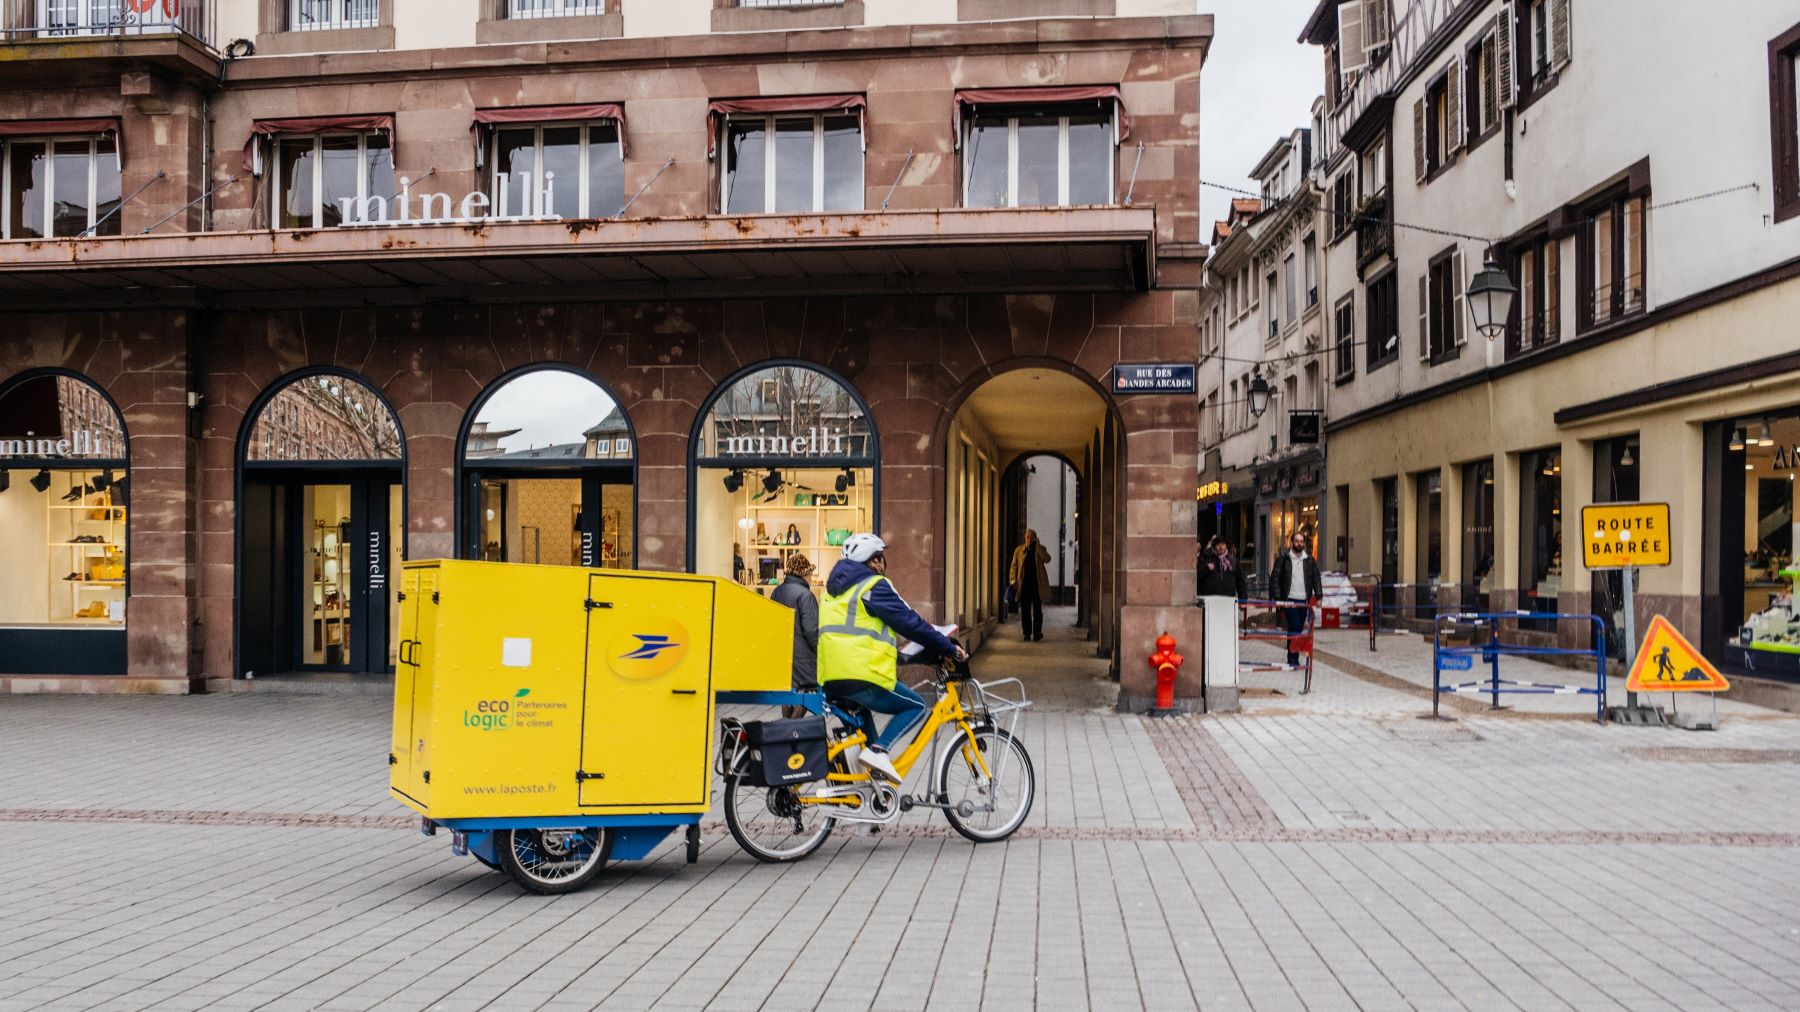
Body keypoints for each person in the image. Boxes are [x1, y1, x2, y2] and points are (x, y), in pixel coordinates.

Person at [817, 533, 967, 783]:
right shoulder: (873, 586)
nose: (883, 564)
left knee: (866, 746)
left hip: (832, 679)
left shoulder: (832, 593)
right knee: (916, 706)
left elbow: (854, 637)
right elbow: (910, 623)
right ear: (875, 561)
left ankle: (871, 801)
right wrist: (947, 647)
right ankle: (880, 751)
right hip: (862, 677)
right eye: (881, 558)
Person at [1268, 531, 1322, 668]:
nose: (1299, 544)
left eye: (1301, 541)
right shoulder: (1284, 558)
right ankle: (1293, 658)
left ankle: (1292, 656)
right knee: (1295, 626)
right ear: (1292, 542)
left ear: (1304, 543)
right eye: (1297, 541)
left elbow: (1316, 578)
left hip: (1303, 600)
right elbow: (1275, 577)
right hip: (1289, 599)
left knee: (1295, 629)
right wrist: (1278, 598)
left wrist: (1319, 596)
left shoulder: (1309, 560)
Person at [770, 553, 819, 697]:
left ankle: (787, 713)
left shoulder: (777, 592)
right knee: (806, 696)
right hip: (803, 660)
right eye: (810, 574)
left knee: (788, 695)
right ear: (804, 574)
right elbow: (812, 631)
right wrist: (821, 653)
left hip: (782, 657)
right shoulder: (806, 596)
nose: (811, 578)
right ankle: (795, 714)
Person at [1009, 529, 1051, 641]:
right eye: (1026, 537)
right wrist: (1013, 581)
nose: (1028, 539)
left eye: (1030, 537)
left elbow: (1047, 559)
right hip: (1024, 585)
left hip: (1037, 585)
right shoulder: (1019, 550)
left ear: (1034, 538)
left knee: (1037, 610)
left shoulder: (1040, 549)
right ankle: (1027, 633)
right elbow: (1014, 566)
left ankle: (1037, 632)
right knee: (1025, 610)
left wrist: (1038, 546)